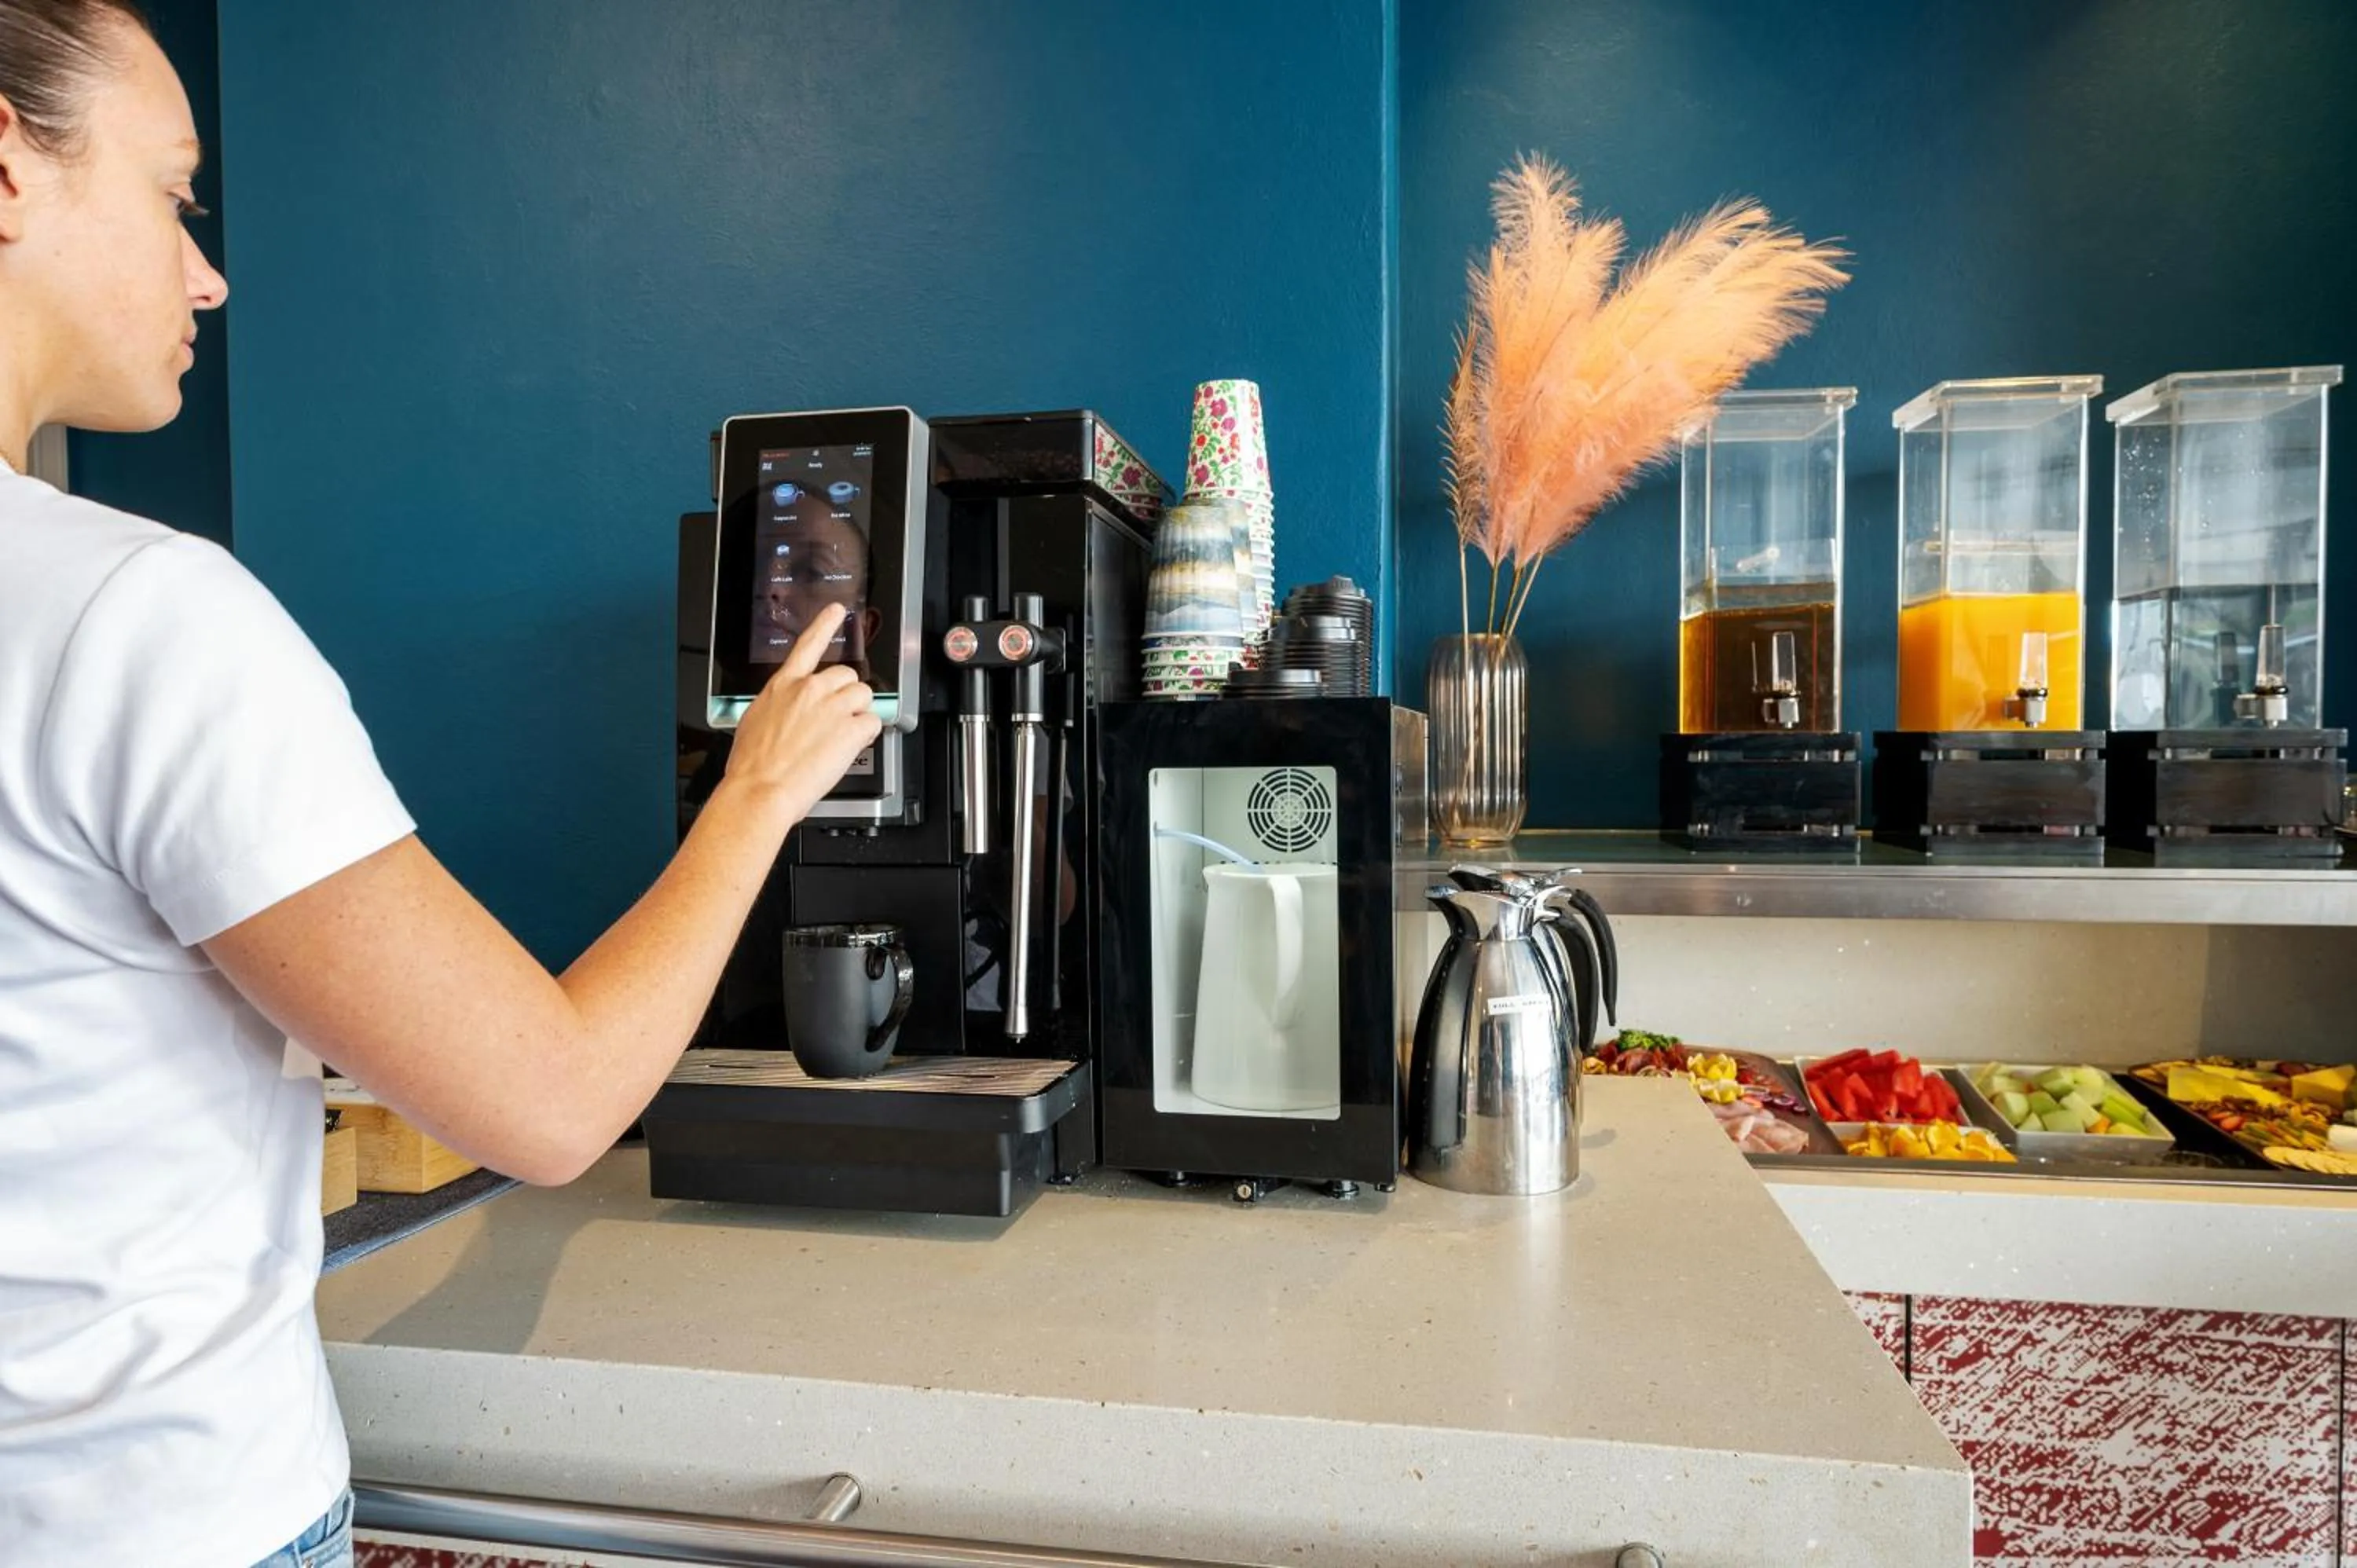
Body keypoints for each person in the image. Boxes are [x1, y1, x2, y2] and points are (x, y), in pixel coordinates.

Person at [0, 5, 882, 1564]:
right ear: (7, 168)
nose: (207, 272)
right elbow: (548, 1104)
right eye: (174, 193)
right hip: (152, 1516)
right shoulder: (132, 614)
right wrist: (759, 791)